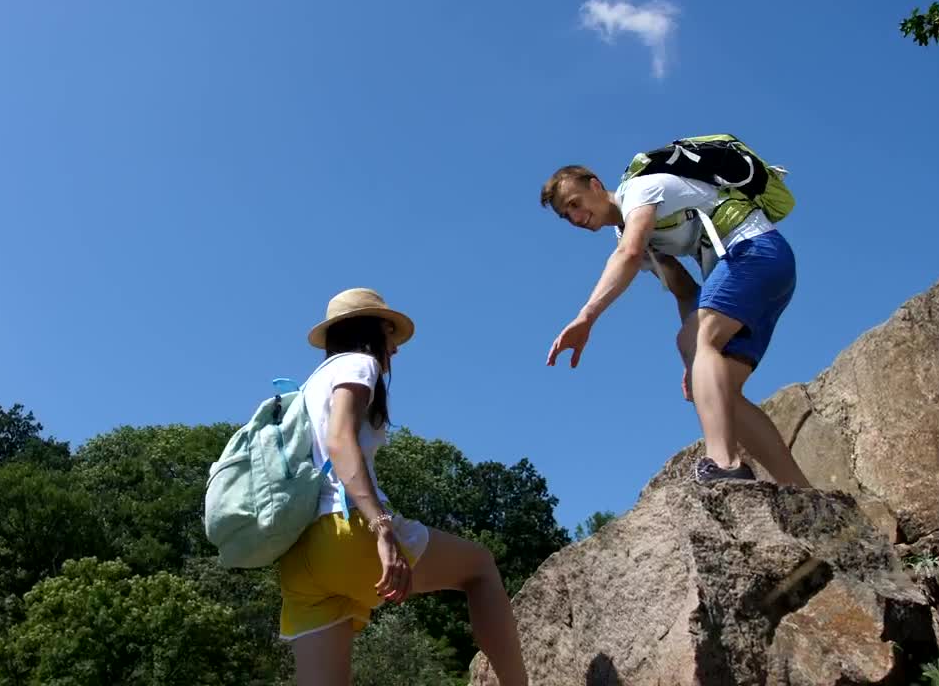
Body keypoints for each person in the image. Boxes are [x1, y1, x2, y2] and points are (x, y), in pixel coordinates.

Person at [278, 287, 529, 686]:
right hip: (344, 531)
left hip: (300, 556)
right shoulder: (359, 364)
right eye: (389, 334)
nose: (394, 348)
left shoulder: (308, 387)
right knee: (480, 568)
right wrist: (382, 528)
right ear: (371, 330)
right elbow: (340, 440)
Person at [538, 163, 812, 487]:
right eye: (566, 215)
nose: (574, 217)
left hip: (752, 251)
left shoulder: (639, 191)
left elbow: (629, 253)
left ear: (595, 185)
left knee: (698, 343)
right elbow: (683, 290)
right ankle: (800, 490)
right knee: (716, 388)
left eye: (575, 203)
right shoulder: (626, 230)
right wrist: (696, 359)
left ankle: (724, 464)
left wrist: (587, 316)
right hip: (764, 271)